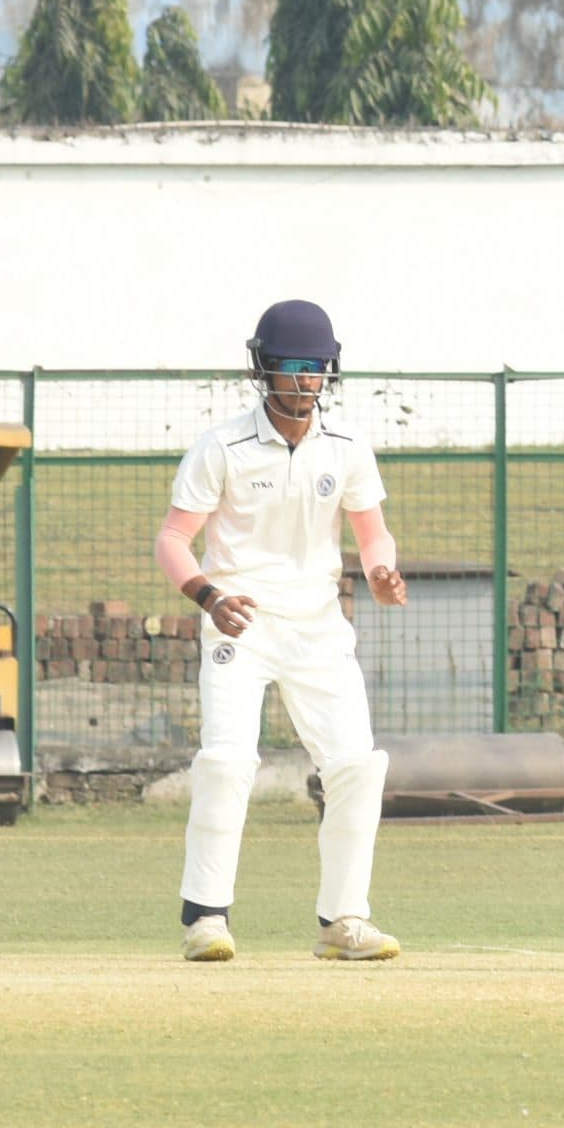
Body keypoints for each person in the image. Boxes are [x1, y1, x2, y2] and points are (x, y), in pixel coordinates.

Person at [154, 301, 406, 962]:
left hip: (318, 625)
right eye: (290, 367)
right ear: (263, 369)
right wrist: (208, 596)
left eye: (314, 368)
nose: (303, 381)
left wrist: (381, 571)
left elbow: (371, 531)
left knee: (357, 764)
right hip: (241, 620)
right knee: (228, 761)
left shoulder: (347, 448)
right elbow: (175, 539)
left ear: (330, 371)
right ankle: (206, 919)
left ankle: (344, 921)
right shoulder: (223, 447)